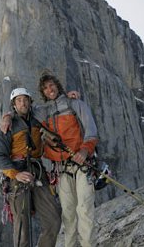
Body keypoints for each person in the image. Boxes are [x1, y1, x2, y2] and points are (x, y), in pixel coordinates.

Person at [37, 69, 99, 247]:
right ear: (43, 93)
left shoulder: (75, 104)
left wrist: (85, 151)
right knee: (68, 214)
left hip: (83, 165)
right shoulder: (43, 113)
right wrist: (8, 116)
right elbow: (23, 111)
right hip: (62, 169)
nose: (50, 89)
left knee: (84, 209)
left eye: (52, 85)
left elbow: (91, 131)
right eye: (46, 88)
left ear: (57, 86)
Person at [0, 88, 61, 247]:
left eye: (25, 99)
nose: (23, 103)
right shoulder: (6, 128)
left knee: (54, 219)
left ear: (30, 102)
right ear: (14, 105)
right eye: (19, 100)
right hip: (17, 176)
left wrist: (69, 98)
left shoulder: (37, 122)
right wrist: (15, 174)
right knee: (22, 227)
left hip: (37, 172)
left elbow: (54, 108)